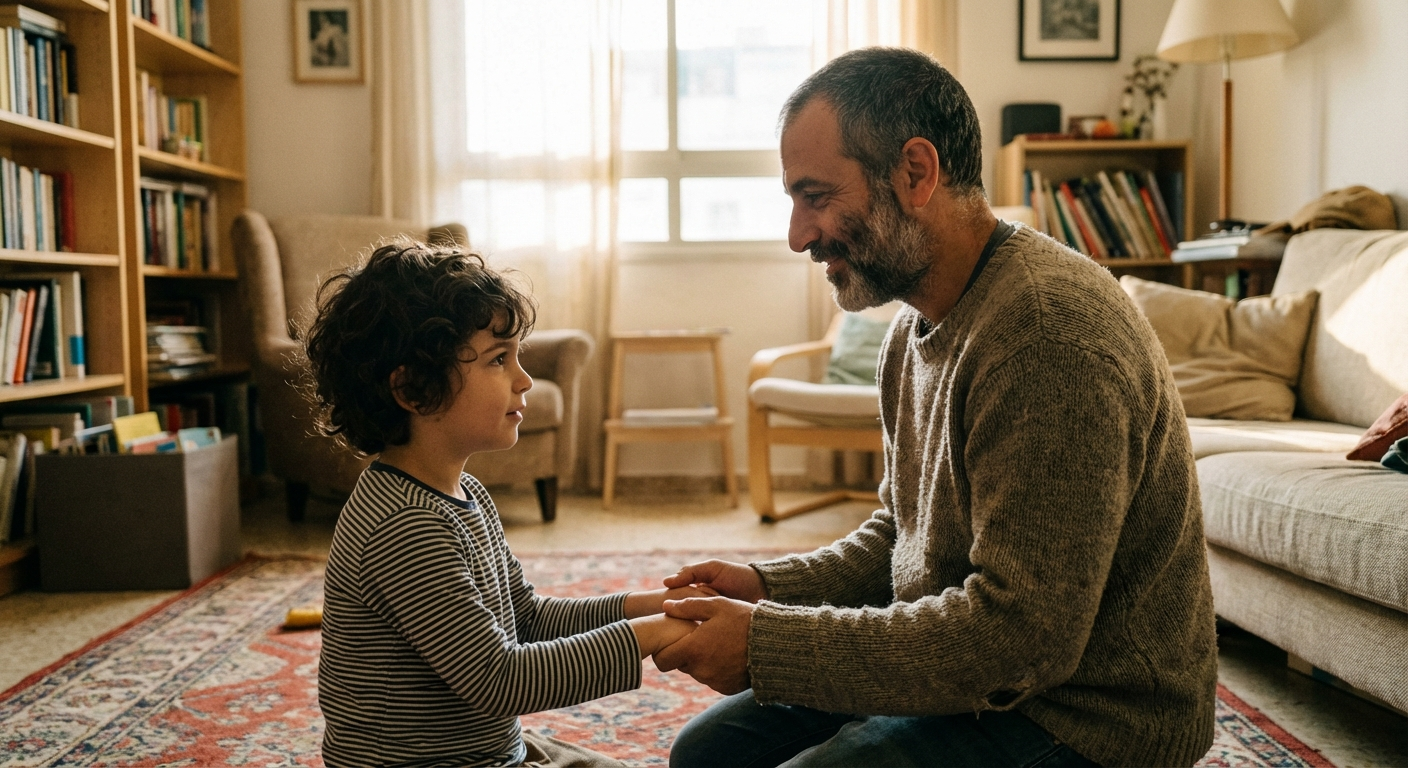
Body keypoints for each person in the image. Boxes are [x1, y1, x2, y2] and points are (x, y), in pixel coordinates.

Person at [656, 48, 1218, 768]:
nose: (798, 234)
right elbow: (903, 533)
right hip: (974, 668)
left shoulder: (1048, 334)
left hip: (1085, 714)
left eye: (816, 196)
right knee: (706, 756)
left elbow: (1020, 638)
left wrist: (766, 642)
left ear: (915, 173)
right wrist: (769, 589)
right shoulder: (913, 326)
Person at [305, 241, 708, 767]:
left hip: (483, 753)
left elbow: (526, 619)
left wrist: (659, 605)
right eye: (500, 360)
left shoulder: (465, 496)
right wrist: (648, 637)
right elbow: (502, 680)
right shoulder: (403, 525)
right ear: (412, 387)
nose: (525, 380)